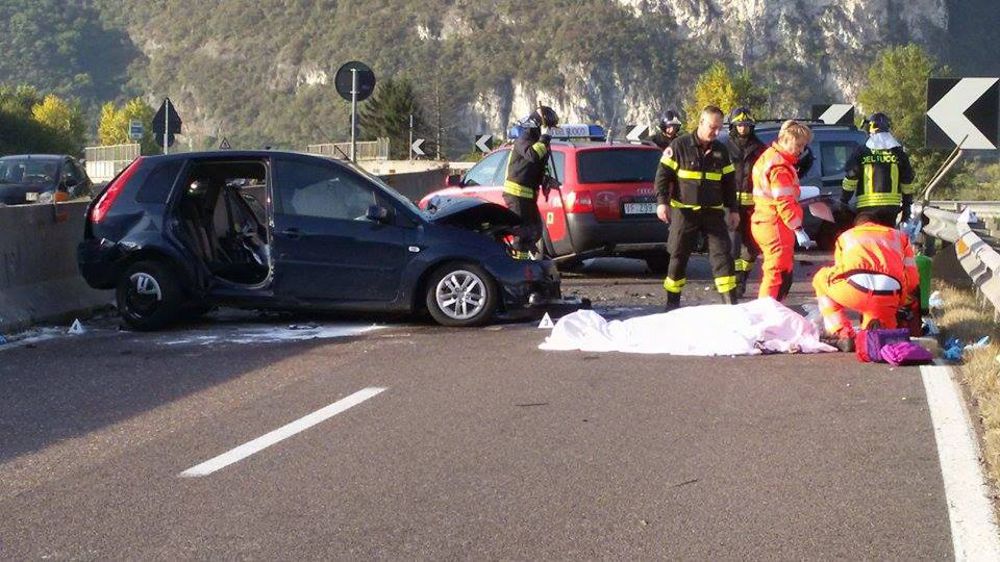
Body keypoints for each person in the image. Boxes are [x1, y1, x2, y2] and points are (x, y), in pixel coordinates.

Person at [655, 105, 739, 310]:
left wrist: (733, 209)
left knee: (723, 257)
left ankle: (730, 306)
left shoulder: (721, 150)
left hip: (713, 214)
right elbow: (662, 177)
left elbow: (729, 183)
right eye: (712, 127)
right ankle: (672, 305)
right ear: (701, 123)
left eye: (719, 128)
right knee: (678, 256)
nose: (716, 132)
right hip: (684, 213)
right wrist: (662, 203)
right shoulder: (679, 146)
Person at [812, 215, 919, 351]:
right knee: (886, 339)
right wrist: (901, 299)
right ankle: (881, 330)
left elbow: (839, 271)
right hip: (890, 293)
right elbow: (913, 278)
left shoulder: (846, 236)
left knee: (820, 279)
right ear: (878, 225)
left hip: (856, 290)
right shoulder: (900, 237)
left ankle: (842, 333)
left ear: (857, 226)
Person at [750, 120, 816, 301]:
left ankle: (772, 311)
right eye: (799, 145)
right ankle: (768, 315)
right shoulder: (781, 167)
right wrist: (798, 229)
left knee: (778, 271)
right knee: (776, 273)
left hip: (764, 219)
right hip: (775, 223)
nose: (801, 150)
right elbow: (784, 202)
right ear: (785, 139)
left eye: (803, 146)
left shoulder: (768, 157)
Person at [502, 105, 559, 259]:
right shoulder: (525, 138)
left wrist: (547, 180)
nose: (550, 131)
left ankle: (526, 258)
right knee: (522, 233)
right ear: (540, 124)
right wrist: (545, 138)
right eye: (549, 128)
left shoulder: (540, 142)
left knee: (536, 230)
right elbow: (532, 156)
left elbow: (539, 166)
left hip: (529, 194)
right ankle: (519, 268)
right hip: (516, 194)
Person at [841, 112, 916, 227]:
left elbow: (851, 177)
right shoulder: (898, 153)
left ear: (870, 128)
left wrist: (844, 200)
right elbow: (907, 183)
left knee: (868, 240)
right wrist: (906, 207)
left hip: (867, 208)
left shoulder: (862, 152)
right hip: (890, 209)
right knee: (885, 239)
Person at [725, 106, 767, 297]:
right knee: (732, 247)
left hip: (753, 207)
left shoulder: (760, 149)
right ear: (733, 126)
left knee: (751, 248)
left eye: (746, 125)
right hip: (730, 205)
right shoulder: (724, 147)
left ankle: (742, 277)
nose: (743, 128)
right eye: (739, 125)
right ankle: (732, 284)